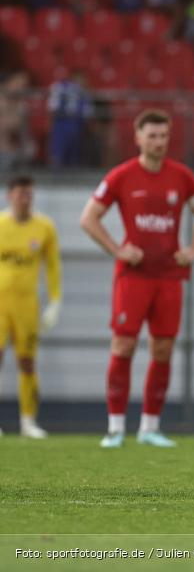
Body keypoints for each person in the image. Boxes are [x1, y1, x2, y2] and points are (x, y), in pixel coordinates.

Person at [79, 109, 194, 449]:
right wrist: (116, 249)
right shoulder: (121, 175)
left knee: (163, 349)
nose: (158, 142)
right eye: (151, 136)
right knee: (123, 344)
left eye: (163, 136)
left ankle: (150, 427)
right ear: (138, 138)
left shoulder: (181, 177)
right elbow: (89, 218)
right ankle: (114, 428)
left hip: (168, 275)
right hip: (133, 277)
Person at [0, 176, 61, 439]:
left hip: (26, 305)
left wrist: (55, 301)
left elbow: (52, 266)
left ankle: (28, 421)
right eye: (21, 194)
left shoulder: (44, 227)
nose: (26, 199)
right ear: (9, 196)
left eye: (29, 194)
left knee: (26, 362)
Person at [47, 71, 94, 169]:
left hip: (76, 128)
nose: (81, 83)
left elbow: (87, 114)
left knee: (74, 159)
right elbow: (52, 108)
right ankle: (54, 179)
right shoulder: (62, 89)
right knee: (58, 157)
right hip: (62, 126)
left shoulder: (84, 94)